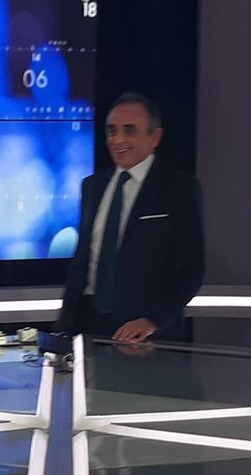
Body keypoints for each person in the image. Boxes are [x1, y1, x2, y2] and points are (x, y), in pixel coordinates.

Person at [57, 92, 205, 343]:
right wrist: (64, 328)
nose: (118, 139)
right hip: (88, 325)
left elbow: (192, 268)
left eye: (129, 130)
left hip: (145, 334)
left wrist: (153, 320)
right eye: (112, 131)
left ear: (155, 137)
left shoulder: (179, 188)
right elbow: (82, 263)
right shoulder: (93, 186)